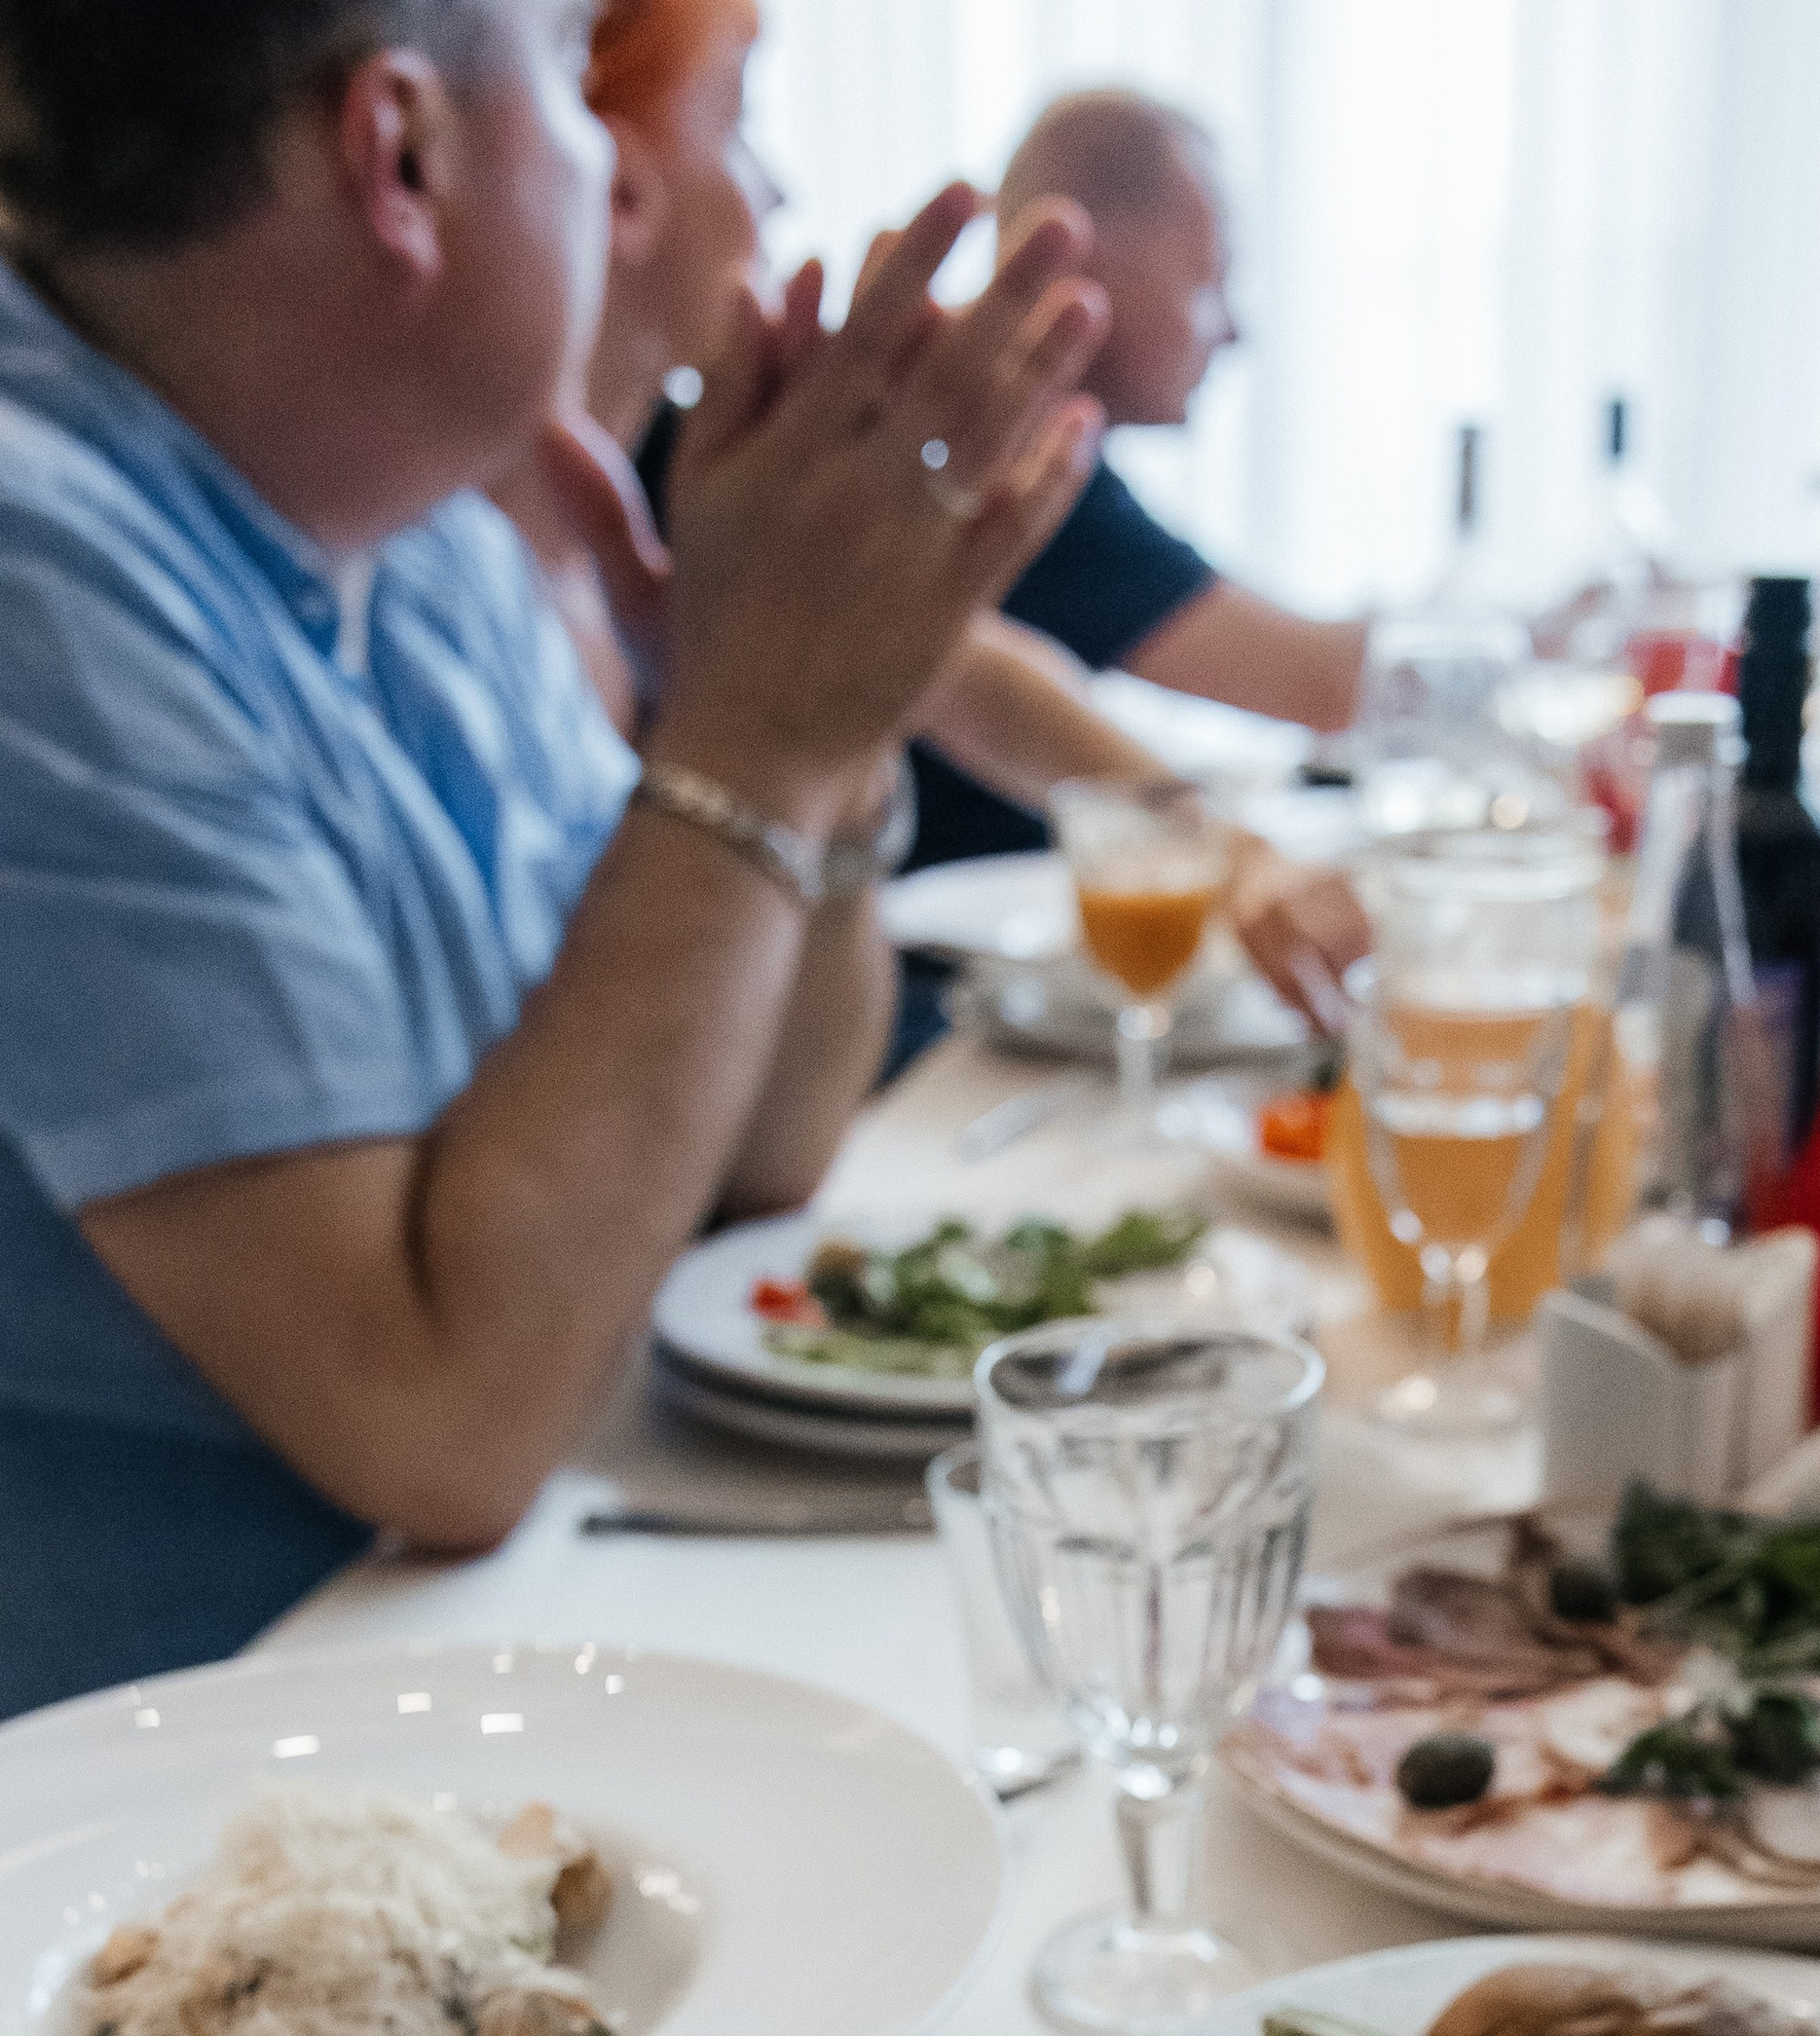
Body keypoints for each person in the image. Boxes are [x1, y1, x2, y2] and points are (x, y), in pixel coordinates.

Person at [0, 0, 1107, 1721]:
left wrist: (824, 727)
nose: (603, 164)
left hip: (464, 1674)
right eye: (570, 80)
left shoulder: (411, 528)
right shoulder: (36, 571)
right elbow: (443, 1420)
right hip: (168, 1828)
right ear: (405, 154)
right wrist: (750, 742)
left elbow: (757, 1147)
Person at [504, 0, 1363, 1026]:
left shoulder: (674, 458)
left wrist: (1237, 855)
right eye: (739, 122)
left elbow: (963, 670)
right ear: (619, 186)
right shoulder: (617, 501)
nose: (783, 194)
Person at [908, 87, 1369, 871]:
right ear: (1087, 269)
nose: (1233, 331)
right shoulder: (1012, 459)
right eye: (1208, 281)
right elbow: (1328, 686)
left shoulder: (1010, 434)